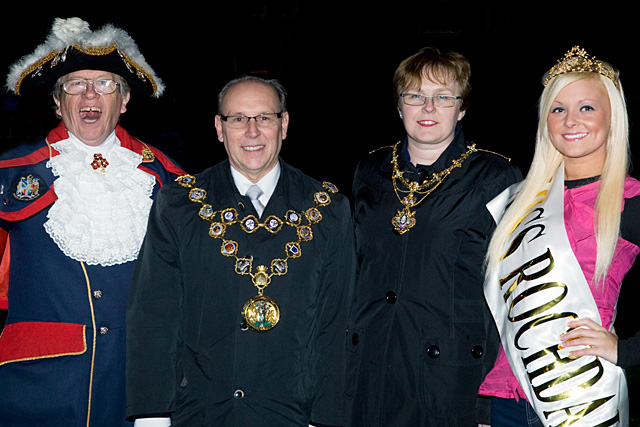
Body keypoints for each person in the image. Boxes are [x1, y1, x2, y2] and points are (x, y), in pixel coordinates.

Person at [125, 75, 356, 427]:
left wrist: (324, 419)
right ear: (219, 128)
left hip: (292, 415)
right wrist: (152, 415)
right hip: (199, 413)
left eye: (264, 117)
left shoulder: (328, 210)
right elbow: (155, 317)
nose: (252, 132)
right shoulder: (178, 205)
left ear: (284, 124)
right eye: (238, 119)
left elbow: (334, 324)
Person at [0, 17, 184, 426]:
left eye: (105, 84)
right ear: (57, 101)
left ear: (124, 100)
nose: (89, 94)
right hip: (36, 390)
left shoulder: (171, 183)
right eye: (75, 84)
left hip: (138, 389)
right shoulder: (8, 175)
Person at [344, 46, 522, 426]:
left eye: (443, 97)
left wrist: (491, 401)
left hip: (451, 378)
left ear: (461, 109)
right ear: (399, 106)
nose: (427, 108)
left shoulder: (496, 177)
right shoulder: (369, 170)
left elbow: (512, 294)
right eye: (415, 96)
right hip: (369, 370)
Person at [480, 46, 640, 426]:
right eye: (558, 109)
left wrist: (627, 351)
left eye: (586, 107)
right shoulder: (518, 201)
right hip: (505, 399)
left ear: (612, 118)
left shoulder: (627, 202)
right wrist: (485, 405)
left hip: (582, 397)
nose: (571, 121)